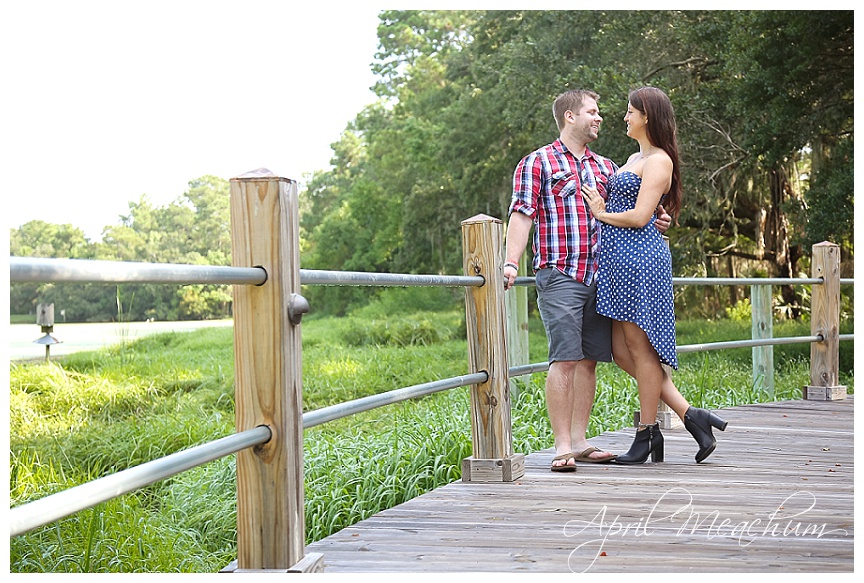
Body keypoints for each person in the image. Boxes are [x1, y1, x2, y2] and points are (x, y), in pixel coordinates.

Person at [503, 89, 670, 472]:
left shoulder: (608, 168)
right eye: (592, 112)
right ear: (569, 117)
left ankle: (580, 441)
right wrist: (511, 262)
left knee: (591, 361)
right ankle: (561, 446)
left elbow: (637, 209)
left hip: (604, 275)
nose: (599, 118)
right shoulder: (537, 162)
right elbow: (522, 215)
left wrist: (660, 219)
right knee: (565, 359)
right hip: (560, 273)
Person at [581, 86, 727, 464]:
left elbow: (640, 217)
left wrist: (600, 212)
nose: (625, 118)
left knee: (642, 350)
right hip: (616, 262)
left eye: (630, 112)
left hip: (639, 261)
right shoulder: (633, 157)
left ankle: (647, 433)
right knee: (620, 351)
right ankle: (692, 415)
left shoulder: (660, 160)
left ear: (646, 116)